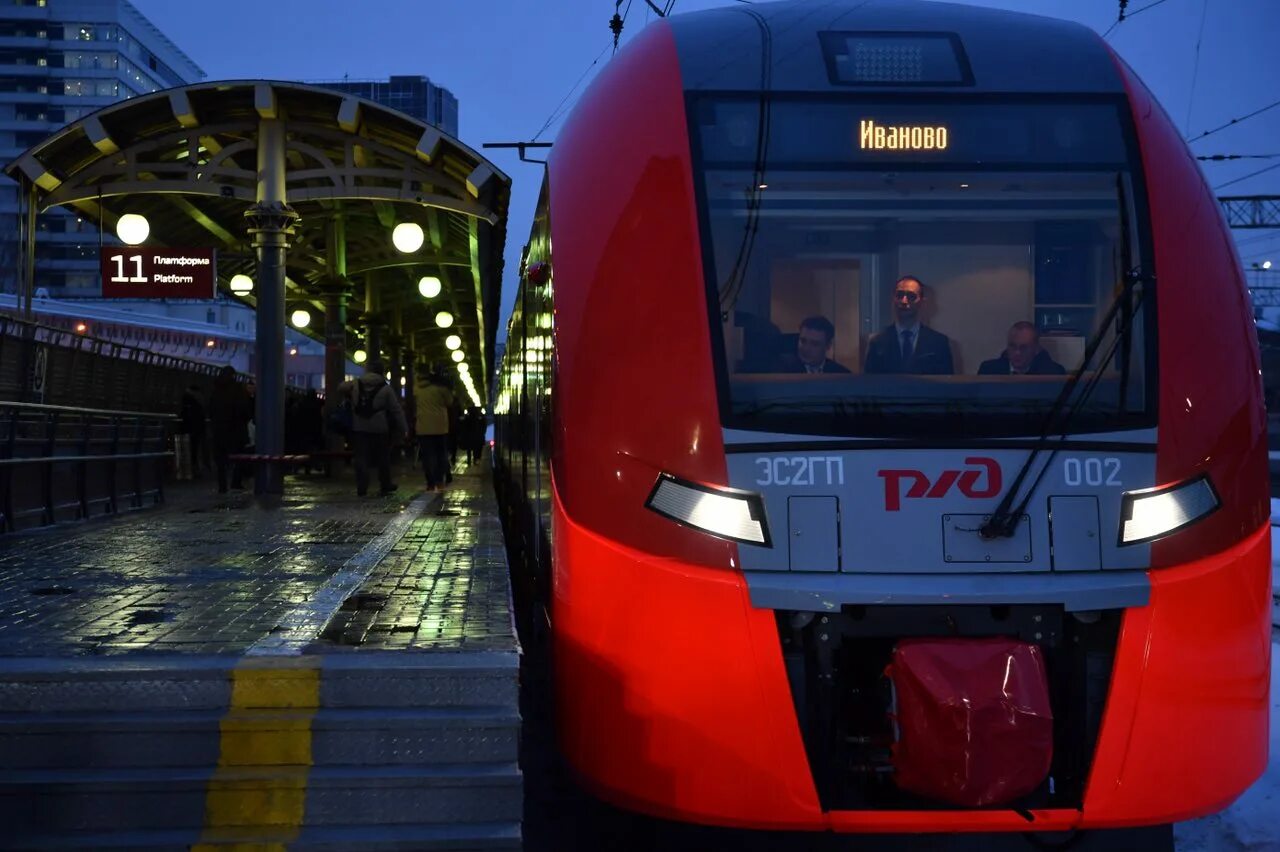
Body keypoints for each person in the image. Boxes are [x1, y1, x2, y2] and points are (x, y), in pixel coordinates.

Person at [864, 276, 955, 375]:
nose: (904, 301)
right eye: (899, 295)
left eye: (911, 296)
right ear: (893, 299)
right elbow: (870, 385)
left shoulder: (939, 343)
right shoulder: (877, 343)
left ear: (921, 301)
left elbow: (947, 386)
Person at [344, 360, 407, 497]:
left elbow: (340, 387)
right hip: (379, 427)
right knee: (382, 457)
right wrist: (404, 428)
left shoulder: (356, 384)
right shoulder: (386, 388)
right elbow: (396, 410)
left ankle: (362, 486)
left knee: (361, 457)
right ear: (382, 372)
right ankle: (385, 484)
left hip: (359, 426)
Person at [208, 366, 251, 493]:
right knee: (239, 457)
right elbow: (245, 411)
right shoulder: (238, 390)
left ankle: (222, 485)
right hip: (236, 430)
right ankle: (236, 482)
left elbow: (211, 410)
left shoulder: (216, 390)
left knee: (220, 460)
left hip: (219, 430)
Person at [415, 364, 454, 491]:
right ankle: (439, 481)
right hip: (440, 427)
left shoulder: (417, 388)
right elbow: (450, 402)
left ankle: (430, 483)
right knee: (440, 455)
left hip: (423, 427)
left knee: (427, 456)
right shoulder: (440, 389)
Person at [978, 321, 1066, 376]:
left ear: (1035, 349)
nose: (1017, 353)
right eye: (1012, 346)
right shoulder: (988, 370)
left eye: (1024, 348)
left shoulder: (1053, 373)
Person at [779, 316, 850, 374]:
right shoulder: (782, 369)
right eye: (803, 341)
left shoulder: (840, 374)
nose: (806, 349)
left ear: (828, 345)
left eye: (814, 344)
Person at [179, 384, 206, 479]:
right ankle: (196, 469)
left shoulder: (187, 399)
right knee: (195, 449)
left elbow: (183, 413)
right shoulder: (200, 400)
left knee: (189, 449)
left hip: (188, 428)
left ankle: (187, 471)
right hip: (198, 428)